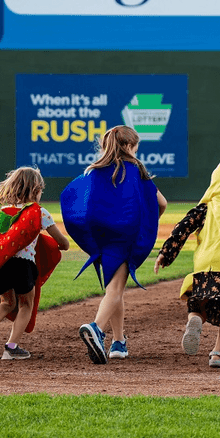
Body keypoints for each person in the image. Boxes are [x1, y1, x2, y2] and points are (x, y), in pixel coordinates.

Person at [61, 126, 167, 364]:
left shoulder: (94, 171)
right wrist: (145, 223)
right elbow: (161, 203)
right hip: (124, 236)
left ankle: (118, 341)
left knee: (114, 289)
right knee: (116, 289)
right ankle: (96, 328)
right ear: (129, 146)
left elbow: (74, 198)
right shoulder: (137, 170)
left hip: (102, 237)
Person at [154, 146, 220, 368]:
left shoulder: (203, 209)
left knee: (200, 303)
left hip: (203, 265)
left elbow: (181, 230)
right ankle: (217, 353)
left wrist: (166, 254)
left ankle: (195, 319)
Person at [0, 167, 70, 360]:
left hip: (3, 265)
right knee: (26, 305)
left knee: (7, 302)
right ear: (36, 190)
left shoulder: (1, 214)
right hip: (24, 266)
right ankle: (11, 347)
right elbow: (63, 243)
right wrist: (56, 245)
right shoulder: (39, 212)